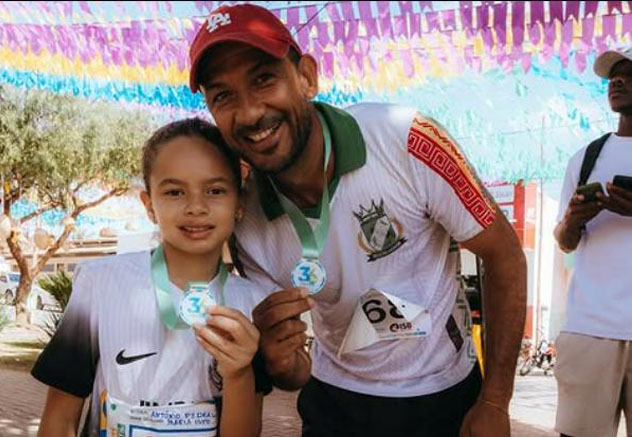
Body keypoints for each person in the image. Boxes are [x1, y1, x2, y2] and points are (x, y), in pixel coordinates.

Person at [188, 4, 527, 436]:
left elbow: (505, 256)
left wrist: (495, 401)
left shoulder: (405, 137)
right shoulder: (244, 220)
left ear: (307, 77)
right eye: (223, 96)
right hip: (335, 402)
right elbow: (294, 373)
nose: (251, 113)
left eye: (263, 79)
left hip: (444, 396)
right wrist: (281, 360)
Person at [32, 118, 269, 437]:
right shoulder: (100, 283)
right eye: (174, 192)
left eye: (215, 190)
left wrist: (239, 374)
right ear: (149, 205)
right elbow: (59, 420)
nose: (195, 207)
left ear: (239, 203)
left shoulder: (254, 304)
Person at [553, 48, 632, 437]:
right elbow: (565, 241)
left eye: (629, 74)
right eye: (614, 77)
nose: (617, 81)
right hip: (589, 329)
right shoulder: (585, 159)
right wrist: (572, 219)